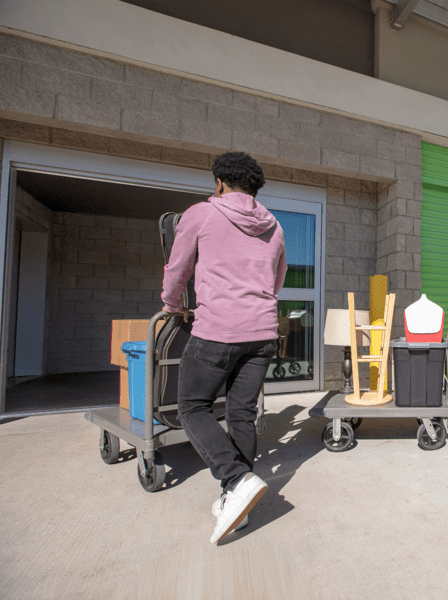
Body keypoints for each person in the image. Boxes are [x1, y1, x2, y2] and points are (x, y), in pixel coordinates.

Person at [161, 151, 286, 544]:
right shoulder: (275, 226)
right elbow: (277, 278)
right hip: (262, 332)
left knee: (192, 407)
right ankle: (237, 501)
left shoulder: (202, 213)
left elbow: (178, 268)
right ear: (255, 188)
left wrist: (172, 305)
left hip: (217, 331)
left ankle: (235, 479)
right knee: (241, 415)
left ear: (219, 182)